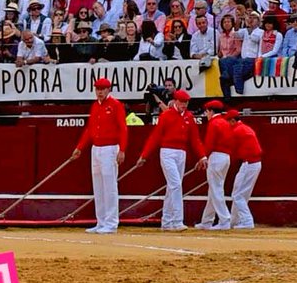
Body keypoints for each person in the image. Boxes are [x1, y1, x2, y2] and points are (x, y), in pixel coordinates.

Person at [135, 88, 202, 231]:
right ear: (175, 101)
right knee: (176, 185)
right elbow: (155, 136)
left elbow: (195, 139)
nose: (184, 104)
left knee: (173, 187)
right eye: (182, 102)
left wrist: (202, 156)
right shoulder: (166, 116)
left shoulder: (189, 117)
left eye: (186, 102)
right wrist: (144, 155)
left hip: (181, 153)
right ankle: (177, 220)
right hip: (168, 152)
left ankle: (166, 221)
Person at [71, 77, 127, 234]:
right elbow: (90, 129)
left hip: (110, 148)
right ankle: (101, 221)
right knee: (98, 186)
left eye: (102, 89)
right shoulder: (95, 106)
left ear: (108, 90)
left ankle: (111, 222)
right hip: (96, 148)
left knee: (109, 186)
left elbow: (123, 128)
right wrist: (80, 147)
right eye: (97, 89)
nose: (99, 92)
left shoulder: (116, 105)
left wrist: (122, 149)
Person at [196, 98, 233, 230]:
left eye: (206, 112)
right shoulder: (225, 123)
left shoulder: (214, 123)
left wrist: (203, 157)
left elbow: (209, 143)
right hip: (226, 157)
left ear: (211, 111)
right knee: (214, 189)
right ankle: (207, 221)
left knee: (216, 189)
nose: (206, 115)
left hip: (216, 157)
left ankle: (225, 219)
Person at [228, 111, 263, 230]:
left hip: (249, 163)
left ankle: (247, 221)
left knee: (237, 195)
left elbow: (232, 150)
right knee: (241, 194)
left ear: (232, 121)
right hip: (254, 163)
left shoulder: (237, 131)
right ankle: (234, 221)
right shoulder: (246, 128)